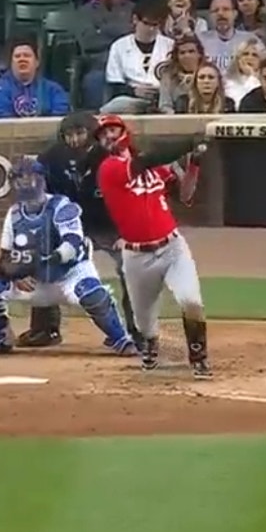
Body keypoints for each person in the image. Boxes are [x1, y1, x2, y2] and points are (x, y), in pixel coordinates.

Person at [0, 156, 136, 357]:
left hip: (70, 275)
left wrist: (46, 260)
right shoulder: (14, 214)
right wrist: (15, 274)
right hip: (35, 283)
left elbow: (72, 244)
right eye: (19, 179)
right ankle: (1, 338)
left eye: (29, 178)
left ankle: (120, 338)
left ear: (41, 179)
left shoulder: (61, 206)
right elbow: (5, 256)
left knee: (93, 294)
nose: (25, 184)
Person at [95, 114, 211, 378]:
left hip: (172, 247)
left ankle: (199, 358)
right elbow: (148, 159)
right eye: (103, 134)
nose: (108, 137)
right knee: (144, 322)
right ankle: (150, 344)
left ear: (124, 131)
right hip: (136, 256)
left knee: (191, 300)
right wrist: (188, 142)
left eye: (112, 130)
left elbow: (185, 195)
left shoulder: (155, 169)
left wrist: (194, 164)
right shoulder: (109, 168)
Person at [18, 111, 142, 349]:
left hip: (108, 222)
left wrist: (128, 232)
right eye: (69, 135)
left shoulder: (111, 155)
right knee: (44, 259)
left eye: (80, 133)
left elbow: (131, 195)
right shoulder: (52, 157)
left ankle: (136, 330)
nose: (74, 140)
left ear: (92, 134)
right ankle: (44, 329)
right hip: (68, 223)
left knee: (130, 267)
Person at [75, 0, 135, 109]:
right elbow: (88, 41)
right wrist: (121, 31)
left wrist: (101, 30)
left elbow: (135, 37)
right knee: (94, 81)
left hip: (128, 64)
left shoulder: (134, 10)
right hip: (98, 64)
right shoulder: (85, 11)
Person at [101, 6, 173, 113]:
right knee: (113, 107)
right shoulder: (119, 46)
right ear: (135, 20)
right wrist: (134, 91)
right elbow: (115, 84)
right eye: (146, 23)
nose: (151, 29)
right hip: (132, 97)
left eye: (155, 25)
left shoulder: (170, 45)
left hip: (164, 97)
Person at [0, 40, 70, 118]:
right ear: (11, 63)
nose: (22, 59)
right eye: (17, 56)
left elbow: (61, 116)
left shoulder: (53, 90)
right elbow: (0, 120)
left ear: (37, 62)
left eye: (27, 55)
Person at [197, 0, 258, 72]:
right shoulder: (199, 41)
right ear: (210, 16)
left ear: (235, 14)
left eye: (226, 9)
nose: (220, 13)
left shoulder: (250, 40)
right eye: (215, 10)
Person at [156, 35, 207, 113]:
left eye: (191, 51)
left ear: (199, 54)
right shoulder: (168, 77)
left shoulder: (208, 74)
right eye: (182, 53)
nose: (187, 56)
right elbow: (165, 106)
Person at [222, 38, 261, 106]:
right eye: (245, 54)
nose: (249, 58)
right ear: (238, 58)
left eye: (255, 55)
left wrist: (252, 76)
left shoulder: (265, 81)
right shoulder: (227, 81)